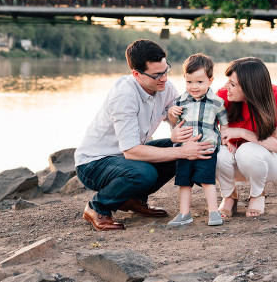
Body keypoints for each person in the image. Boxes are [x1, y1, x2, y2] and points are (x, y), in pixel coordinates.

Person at [74, 39, 214, 231]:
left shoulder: (164, 87)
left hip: (126, 157)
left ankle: (133, 199)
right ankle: (97, 207)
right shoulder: (124, 96)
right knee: (144, 173)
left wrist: (181, 127)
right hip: (94, 163)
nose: (164, 78)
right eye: (157, 75)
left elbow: (179, 121)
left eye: (166, 70)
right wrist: (183, 153)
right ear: (136, 74)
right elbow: (132, 152)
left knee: (182, 146)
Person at [215, 57, 277, 218]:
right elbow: (204, 127)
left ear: (249, 88)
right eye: (228, 81)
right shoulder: (223, 95)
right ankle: (229, 196)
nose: (226, 86)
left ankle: (257, 194)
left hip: (269, 162)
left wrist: (243, 134)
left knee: (247, 150)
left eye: (233, 84)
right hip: (233, 161)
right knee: (218, 153)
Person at [165, 53, 228, 227]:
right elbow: (174, 124)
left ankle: (214, 212)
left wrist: (225, 139)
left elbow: (225, 124)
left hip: (206, 149)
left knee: (208, 181)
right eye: (189, 81)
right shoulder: (179, 102)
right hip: (185, 150)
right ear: (184, 79)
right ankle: (185, 214)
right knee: (184, 183)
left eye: (199, 82)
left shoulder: (217, 103)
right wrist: (171, 114)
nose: (194, 86)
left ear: (210, 80)